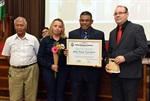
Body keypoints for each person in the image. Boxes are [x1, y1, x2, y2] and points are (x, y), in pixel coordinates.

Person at [105, 5, 148, 101]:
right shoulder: (112, 33)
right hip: (115, 75)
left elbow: (143, 48)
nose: (117, 15)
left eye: (120, 13)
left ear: (127, 14)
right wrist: (107, 63)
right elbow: (110, 53)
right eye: (115, 14)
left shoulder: (136, 28)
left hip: (130, 75)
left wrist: (125, 57)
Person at [68, 11, 106, 101]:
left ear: (92, 21)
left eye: (87, 20)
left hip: (92, 73)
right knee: (75, 97)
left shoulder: (99, 34)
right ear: (79, 21)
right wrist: (68, 53)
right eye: (82, 20)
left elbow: (103, 51)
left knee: (92, 98)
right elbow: (71, 51)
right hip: (76, 73)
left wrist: (100, 58)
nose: (84, 22)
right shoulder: (72, 34)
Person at [2, 16, 39, 101]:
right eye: (17, 25)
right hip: (15, 72)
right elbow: (7, 56)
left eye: (21, 25)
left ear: (26, 26)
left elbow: (38, 54)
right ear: (14, 26)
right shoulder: (9, 40)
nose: (19, 27)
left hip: (31, 70)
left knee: (31, 97)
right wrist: (16, 64)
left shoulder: (33, 39)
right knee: (15, 97)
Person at [37, 18, 69, 101]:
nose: (57, 28)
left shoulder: (66, 41)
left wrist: (67, 54)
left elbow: (71, 58)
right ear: (51, 27)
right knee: (50, 94)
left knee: (60, 95)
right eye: (55, 26)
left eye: (60, 26)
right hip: (49, 71)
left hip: (63, 71)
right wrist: (50, 66)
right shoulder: (45, 40)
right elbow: (40, 57)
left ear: (62, 29)